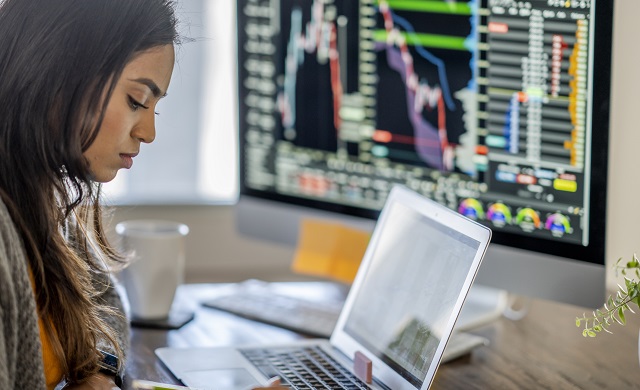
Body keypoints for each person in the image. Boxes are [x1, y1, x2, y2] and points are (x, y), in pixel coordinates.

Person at [0, 0, 179, 388]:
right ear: (58, 75)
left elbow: (105, 303)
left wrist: (98, 369)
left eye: (154, 109)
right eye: (136, 101)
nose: (148, 132)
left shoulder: (43, 196)